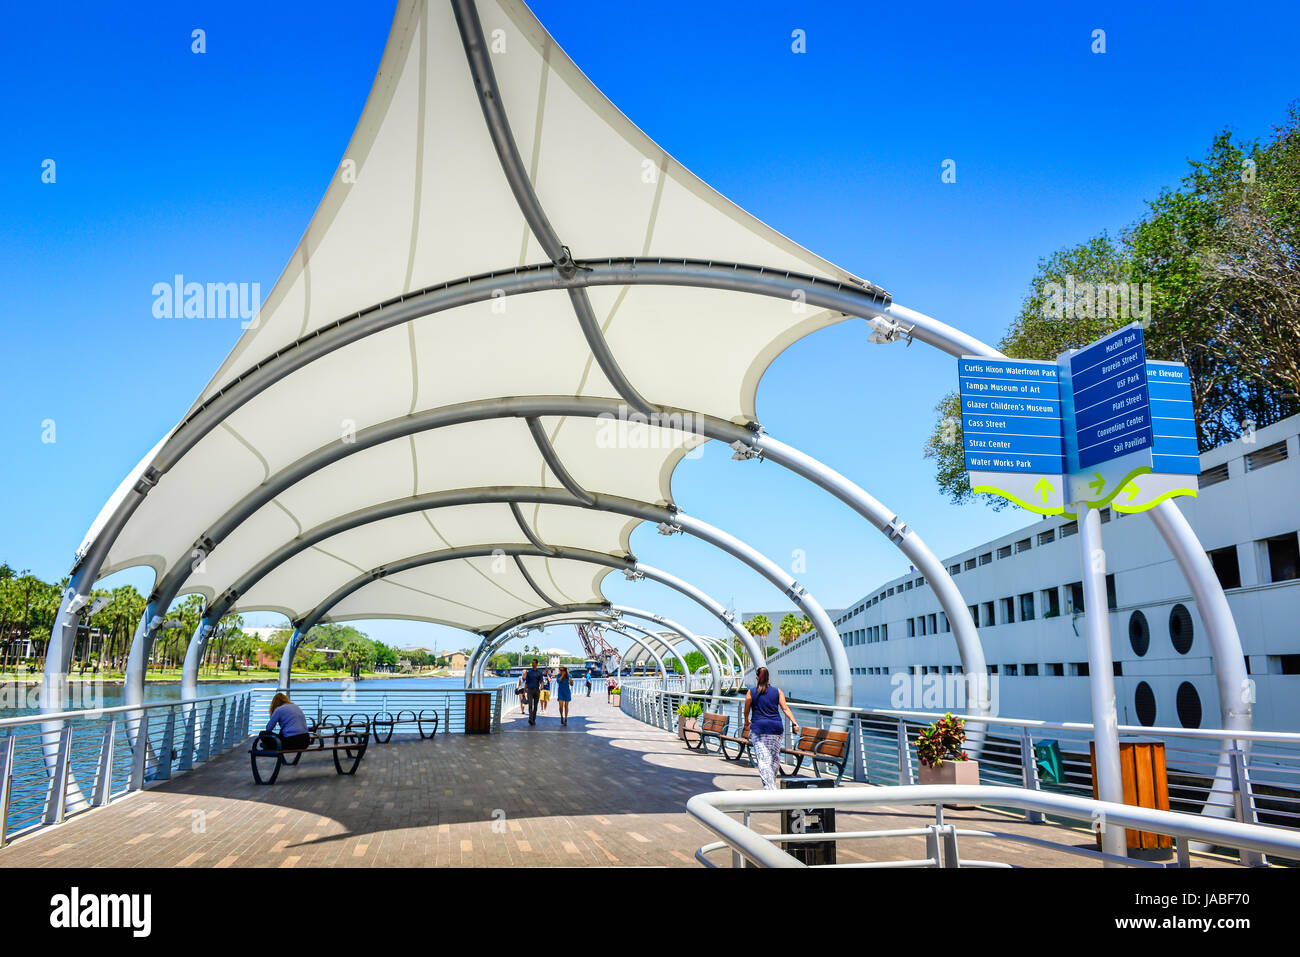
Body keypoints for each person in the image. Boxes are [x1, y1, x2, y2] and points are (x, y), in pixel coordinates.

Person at [743, 667, 800, 790]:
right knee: (774, 759)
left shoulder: (751, 692)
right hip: (776, 728)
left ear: (757, 678)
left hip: (759, 729)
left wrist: (746, 721)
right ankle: (771, 786)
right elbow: (785, 708)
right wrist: (795, 722)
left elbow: (746, 710)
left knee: (763, 760)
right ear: (768, 678)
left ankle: (770, 790)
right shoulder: (777, 691)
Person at [523, 658, 544, 725]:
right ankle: (530, 718)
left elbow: (541, 681)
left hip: (537, 691)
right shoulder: (529, 673)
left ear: (536, 664)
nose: (532, 664)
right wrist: (524, 690)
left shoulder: (539, 673)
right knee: (530, 705)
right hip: (530, 690)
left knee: (535, 706)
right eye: (532, 663)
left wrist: (542, 686)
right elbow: (526, 682)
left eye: (534, 663)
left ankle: (533, 719)